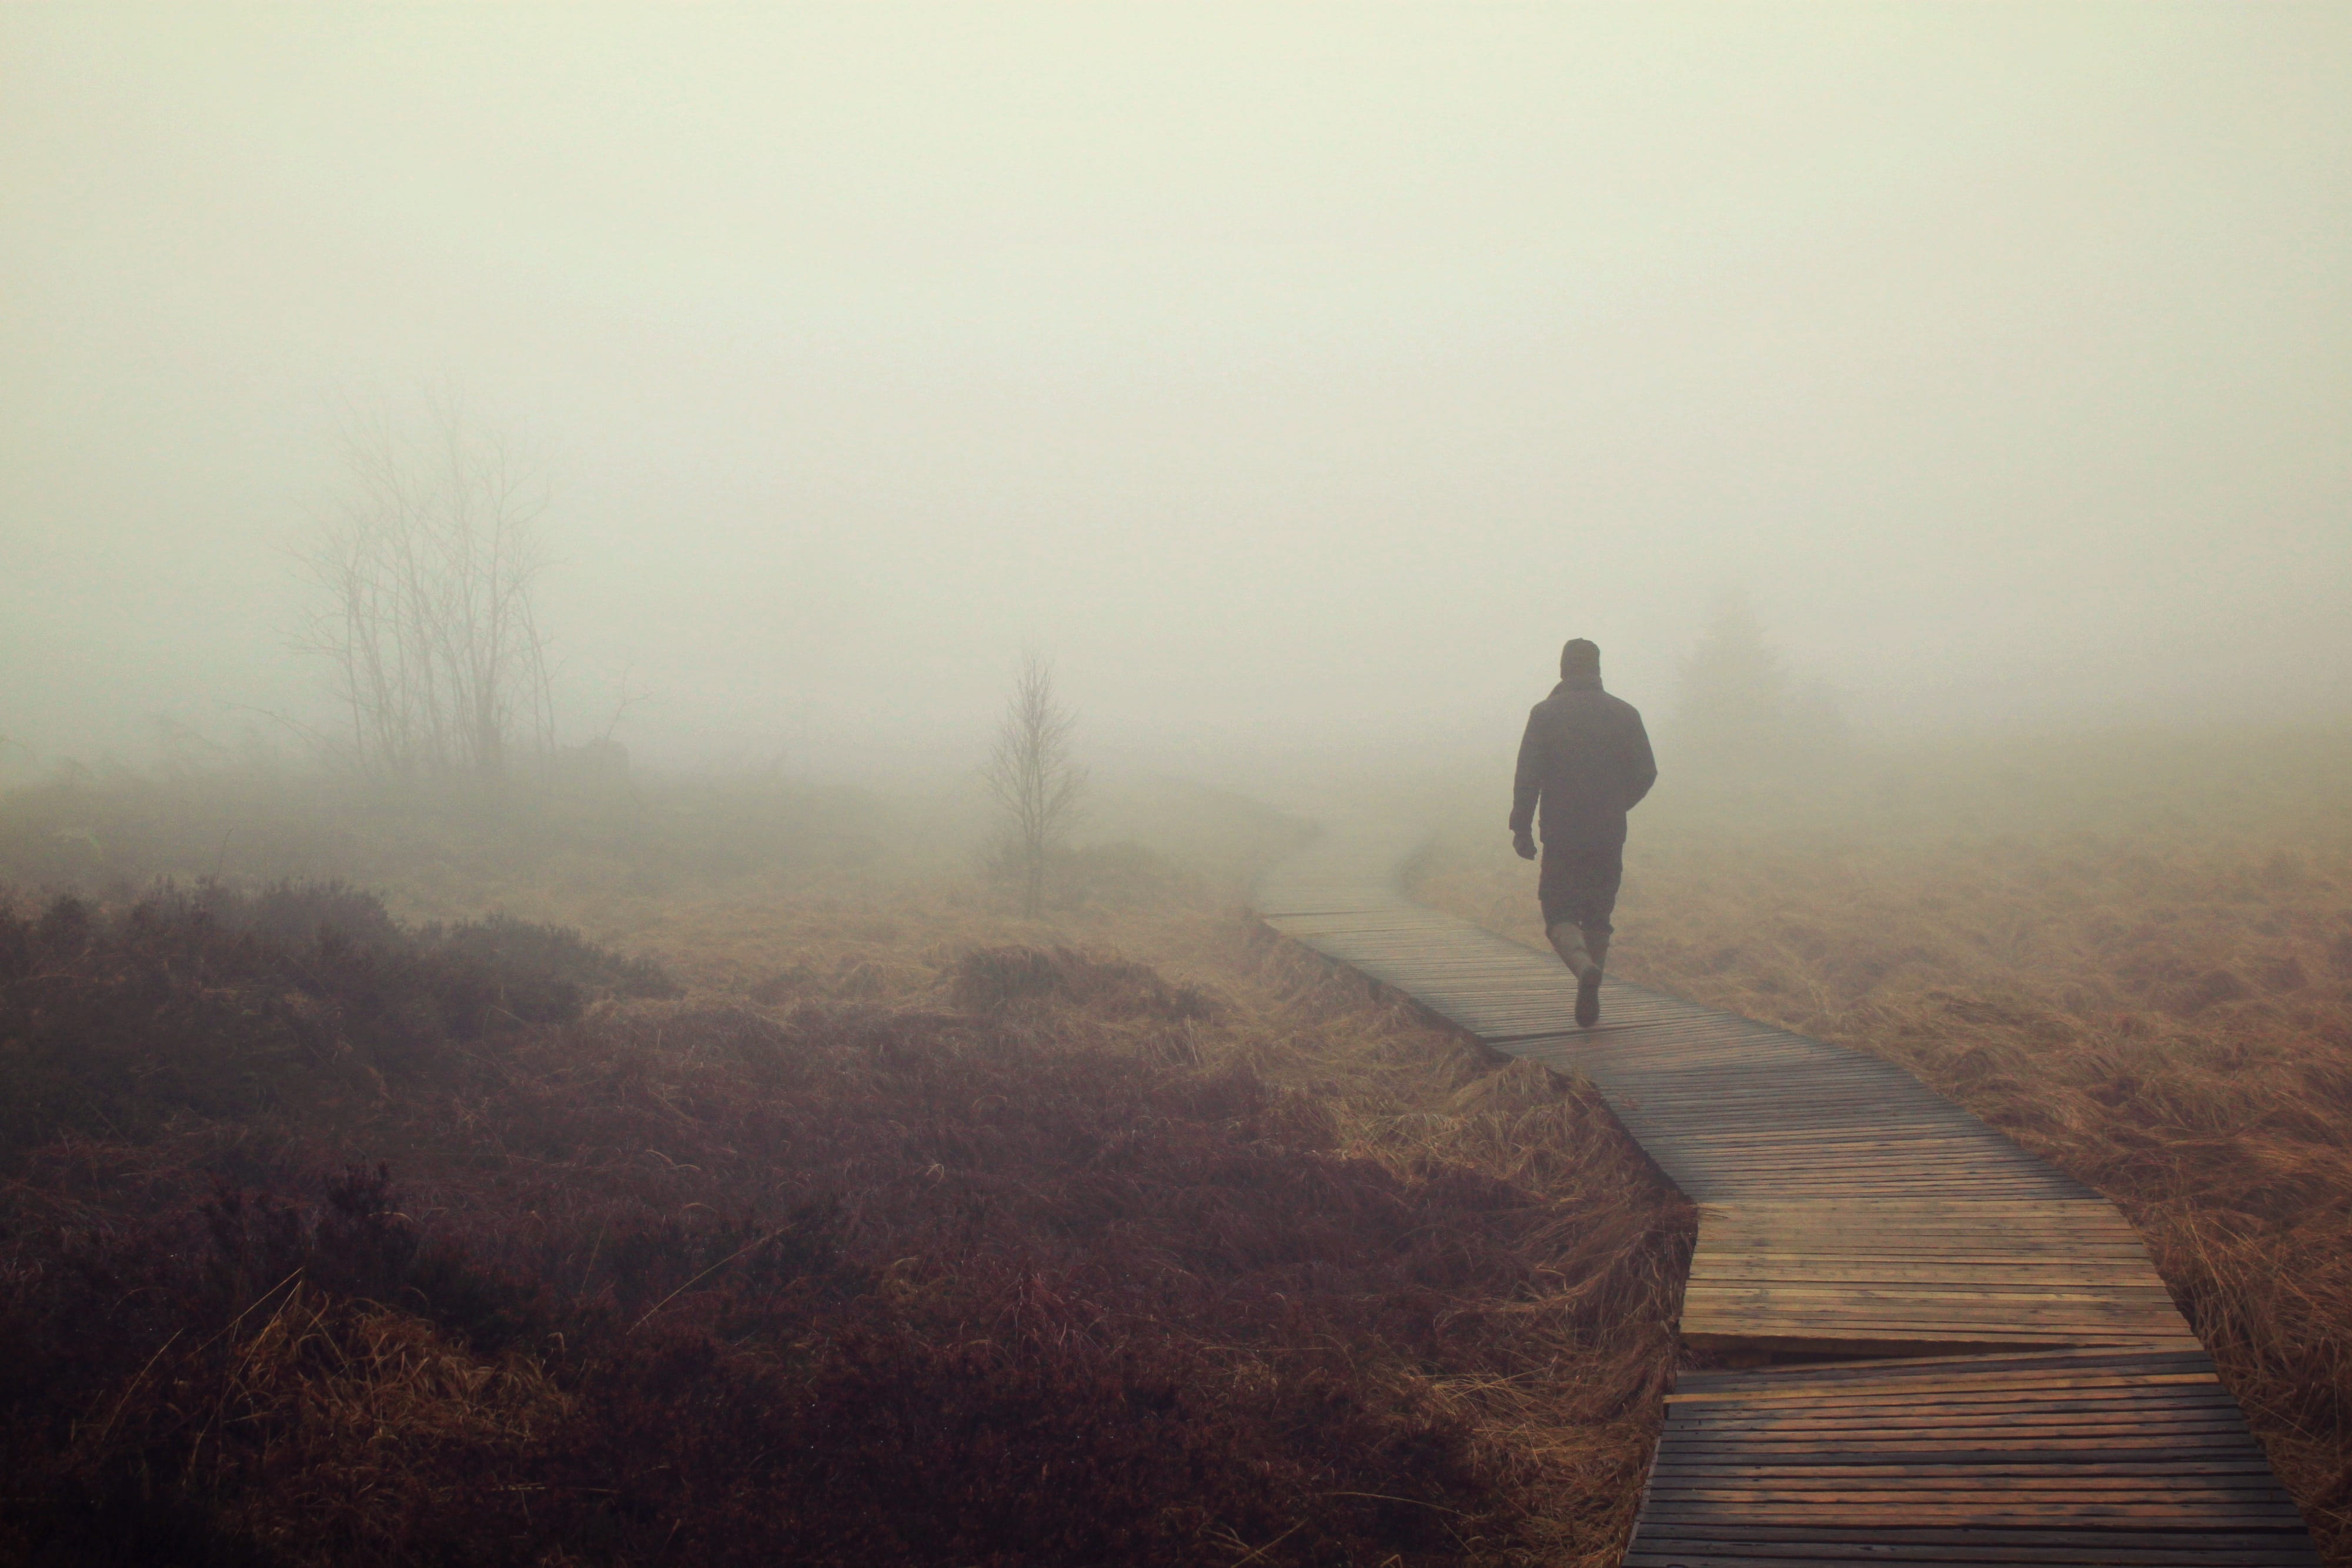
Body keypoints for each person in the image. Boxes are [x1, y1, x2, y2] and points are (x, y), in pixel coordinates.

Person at [1510, 638, 1657, 1027]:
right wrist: (1616, 804)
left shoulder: (1545, 714)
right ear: (1597, 669)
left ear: (1563, 669)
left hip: (1561, 831)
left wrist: (1521, 827)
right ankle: (1593, 974)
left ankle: (1582, 967)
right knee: (1598, 913)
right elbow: (1647, 773)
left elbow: (1528, 778)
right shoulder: (1626, 714)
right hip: (1609, 831)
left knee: (1557, 909)